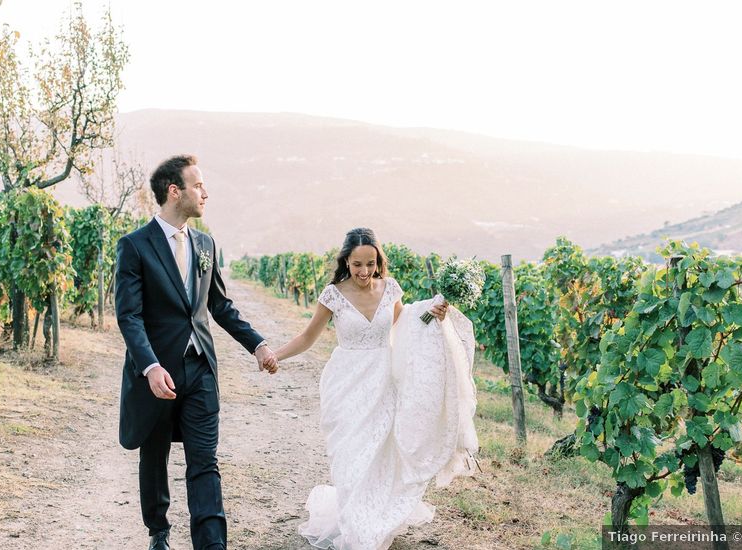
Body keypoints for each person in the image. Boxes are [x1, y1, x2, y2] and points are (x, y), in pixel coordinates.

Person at [275, 227, 479, 550]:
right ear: (346, 261)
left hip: (385, 381)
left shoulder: (390, 289)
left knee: (380, 453)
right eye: (357, 265)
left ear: (378, 261)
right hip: (347, 384)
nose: (364, 272)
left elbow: (405, 324)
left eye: (371, 264)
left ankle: (371, 522)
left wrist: (432, 311)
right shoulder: (334, 294)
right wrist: (275, 355)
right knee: (351, 456)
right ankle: (355, 521)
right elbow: (307, 337)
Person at [114, 154, 279, 550]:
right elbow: (129, 316)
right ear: (175, 191)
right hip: (156, 373)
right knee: (154, 460)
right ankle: (158, 530)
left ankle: (210, 545)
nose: (206, 192)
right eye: (198, 185)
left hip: (200, 369)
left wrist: (256, 343)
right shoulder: (134, 246)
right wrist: (150, 366)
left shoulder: (205, 243)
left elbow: (219, 305)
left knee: (205, 462)